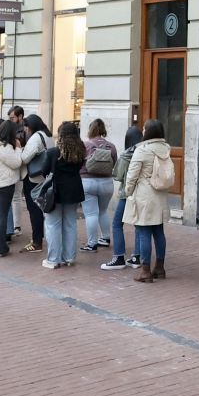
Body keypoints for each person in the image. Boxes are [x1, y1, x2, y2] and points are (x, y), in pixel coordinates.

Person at [120, 117, 173, 282]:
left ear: (148, 132)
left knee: (143, 232)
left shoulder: (142, 150)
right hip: (160, 195)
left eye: (144, 129)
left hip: (144, 196)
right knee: (159, 232)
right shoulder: (166, 148)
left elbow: (132, 174)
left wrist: (128, 191)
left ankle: (145, 271)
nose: (142, 131)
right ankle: (160, 267)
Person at [101, 111, 143, 271]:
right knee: (139, 224)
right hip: (141, 194)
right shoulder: (145, 152)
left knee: (117, 223)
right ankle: (137, 257)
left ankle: (119, 256)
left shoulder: (126, 155)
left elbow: (117, 175)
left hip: (127, 194)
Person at [43, 121, 87, 269]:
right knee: (70, 224)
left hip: (55, 192)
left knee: (53, 225)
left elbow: (44, 171)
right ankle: (69, 257)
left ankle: (54, 259)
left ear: (61, 134)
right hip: (74, 190)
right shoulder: (80, 151)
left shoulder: (53, 152)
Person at [0, 120, 27, 258]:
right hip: (5, 184)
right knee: (2, 215)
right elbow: (16, 163)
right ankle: (0, 248)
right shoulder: (5, 147)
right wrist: (19, 148)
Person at [80, 119, 117, 253]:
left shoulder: (86, 145)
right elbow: (114, 164)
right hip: (107, 183)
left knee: (90, 214)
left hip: (88, 183)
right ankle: (105, 238)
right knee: (103, 211)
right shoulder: (111, 146)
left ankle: (92, 244)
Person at [18, 114, 51, 253]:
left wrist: (20, 150)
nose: (25, 129)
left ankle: (36, 241)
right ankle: (41, 238)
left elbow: (25, 158)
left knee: (34, 209)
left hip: (33, 178)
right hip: (45, 176)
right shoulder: (48, 135)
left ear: (31, 126)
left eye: (26, 126)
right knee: (43, 209)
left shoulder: (36, 137)